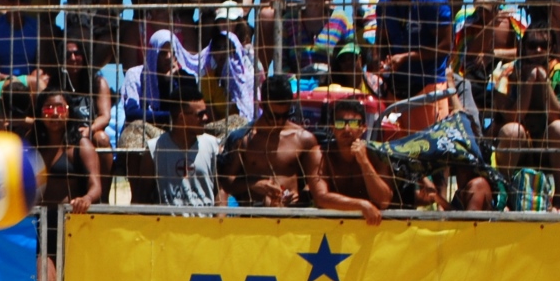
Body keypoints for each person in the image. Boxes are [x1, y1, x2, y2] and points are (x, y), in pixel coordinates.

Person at [220, 75, 384, 221]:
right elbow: (226, 182)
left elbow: (313, 180)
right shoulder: (243, 139)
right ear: (261, 104)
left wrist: (300, 196)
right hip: (253, 217)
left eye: (285, 115)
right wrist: (254, 183)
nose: (278, 121)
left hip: (292, 217)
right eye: (273, 116)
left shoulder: (303, 139)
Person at [371, 0, 453, 101]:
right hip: (394, 86)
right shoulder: (384, 4)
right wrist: (380, 61)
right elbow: (382, 41)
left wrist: (406, 57)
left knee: (429, 125)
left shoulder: (433, 1)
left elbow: (445, 46)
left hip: (429, 85)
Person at [144, 91, 221, 208]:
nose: (206, 118)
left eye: (206, 112)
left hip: (205, 223)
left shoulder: (213, 146)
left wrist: (217, 223)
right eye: (200, 114)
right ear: (181, 117)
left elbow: (221, 193)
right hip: (168, 224)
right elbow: (141, 197)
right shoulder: (154, 149)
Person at [32, 91, 102, 213]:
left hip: (69, 220)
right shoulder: (32, 144)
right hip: (34, 221)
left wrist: (86, 198)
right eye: (48, 109)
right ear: (40, 113)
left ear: (69, 113)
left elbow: (95, 185)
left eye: (61, 109)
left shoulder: (81, 146)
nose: (54, 114)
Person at [323, 97, 396, 211]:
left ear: (363, 128)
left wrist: (364, 162)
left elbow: (384, 201)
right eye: (340, 123)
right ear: (331, 128)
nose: (346, 129)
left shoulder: (377, 154)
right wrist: (361, 205)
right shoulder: (322, 154)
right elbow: (320, 198)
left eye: (353, 123)